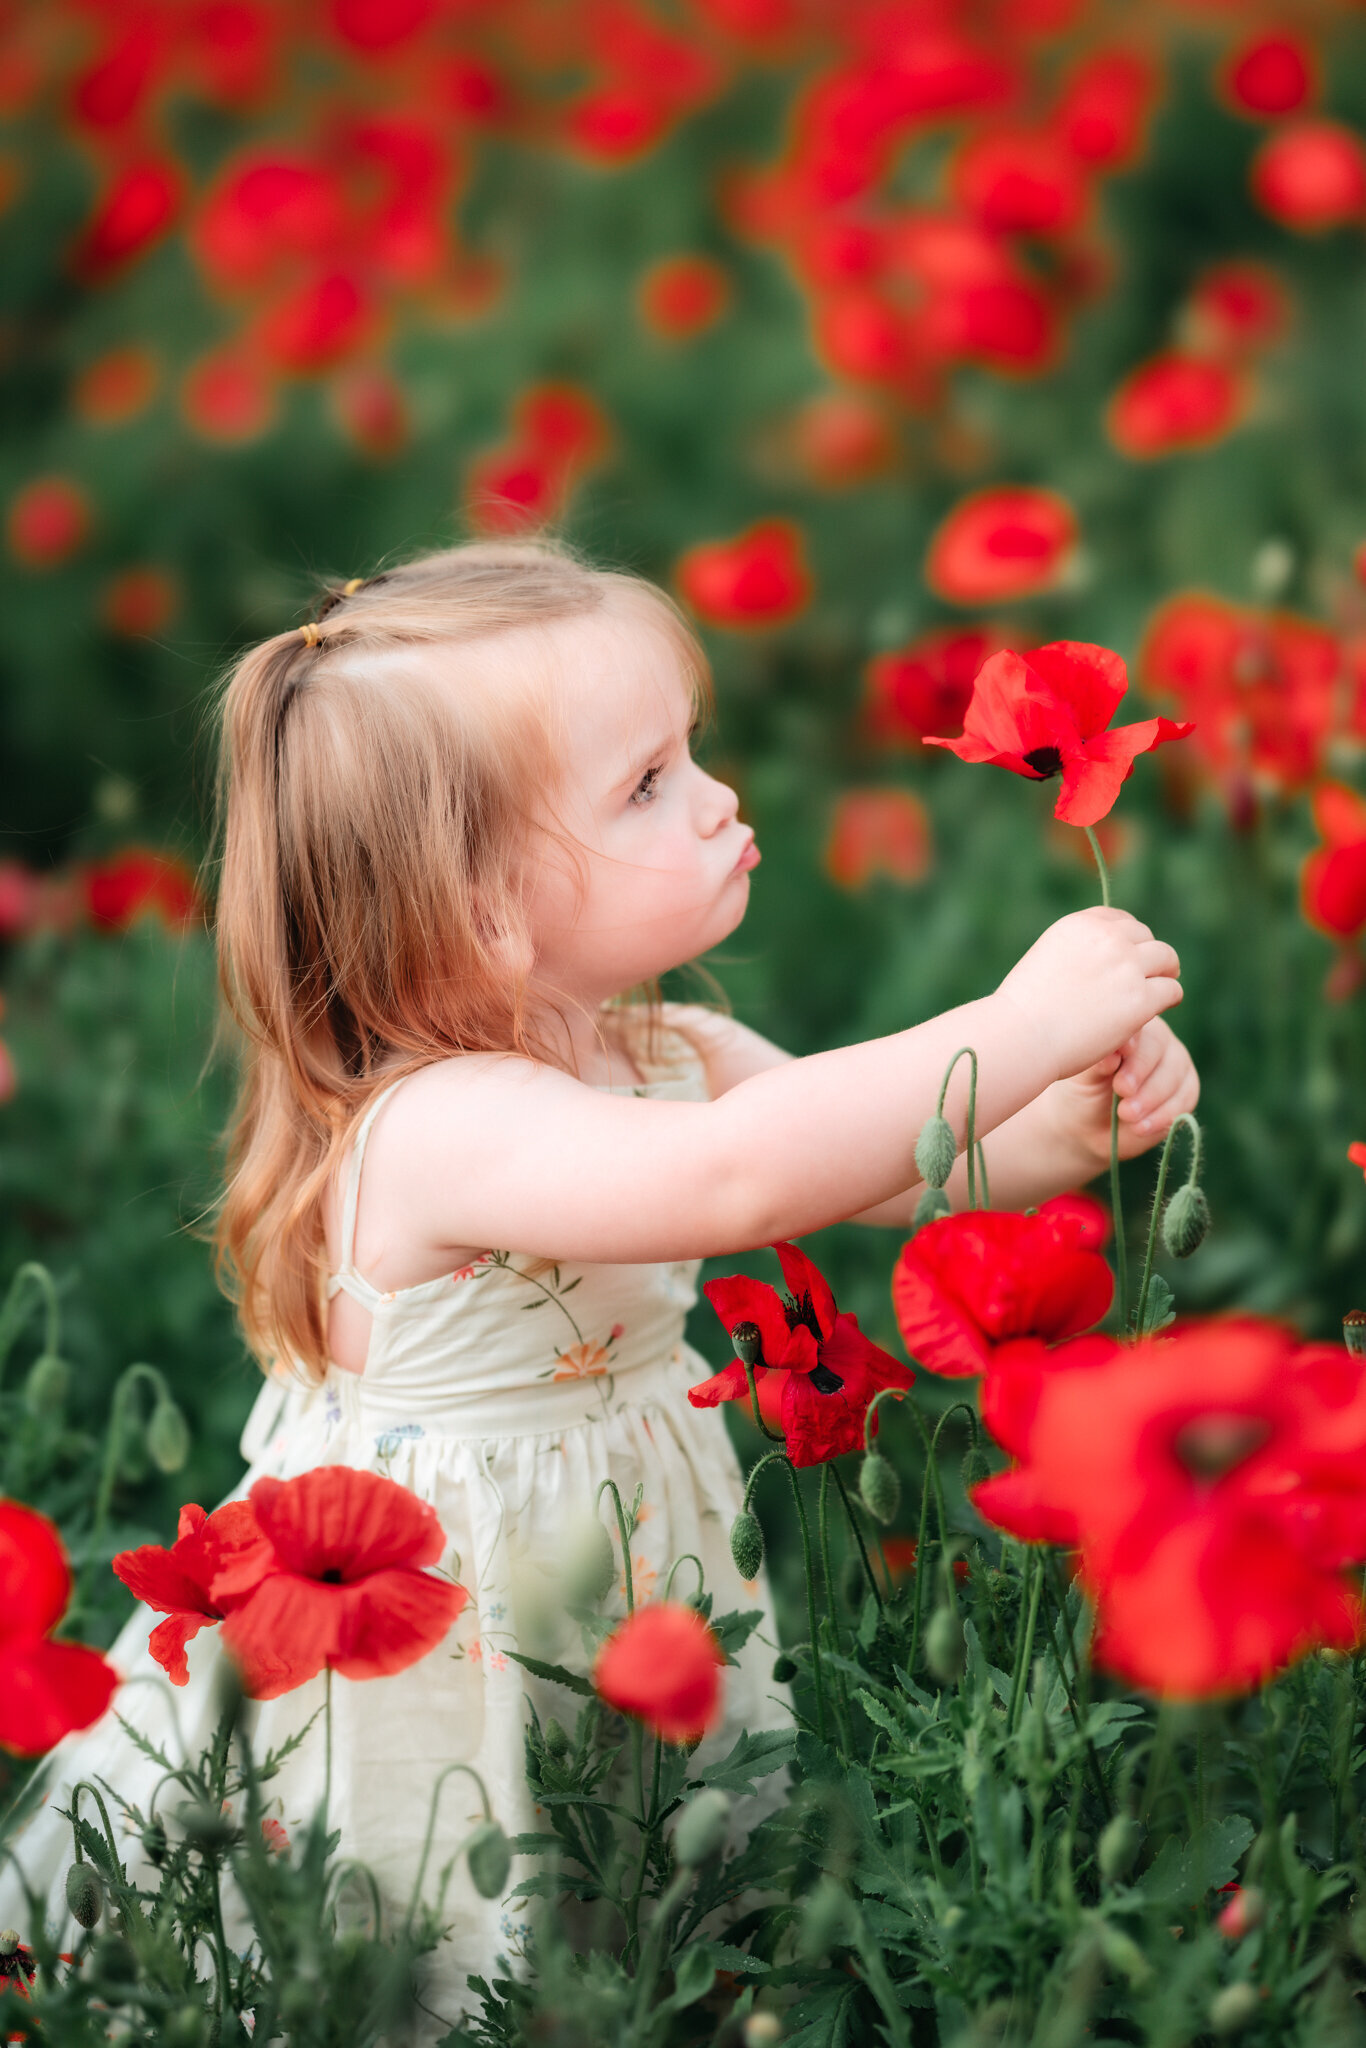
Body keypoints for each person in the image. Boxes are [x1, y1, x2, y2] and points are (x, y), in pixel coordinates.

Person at [0, 536, 1196, 2033]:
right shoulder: (439, 1123)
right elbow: (740, 1178)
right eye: (645, 785)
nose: (717, 798)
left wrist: (1067, 1119)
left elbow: (892, 1170)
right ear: (481, 904)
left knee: (624, 1873)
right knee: (445, 1913)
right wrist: (1014, 1021)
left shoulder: (656, 1047)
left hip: (610, 1552)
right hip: (429, 1613)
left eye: (689, 752)